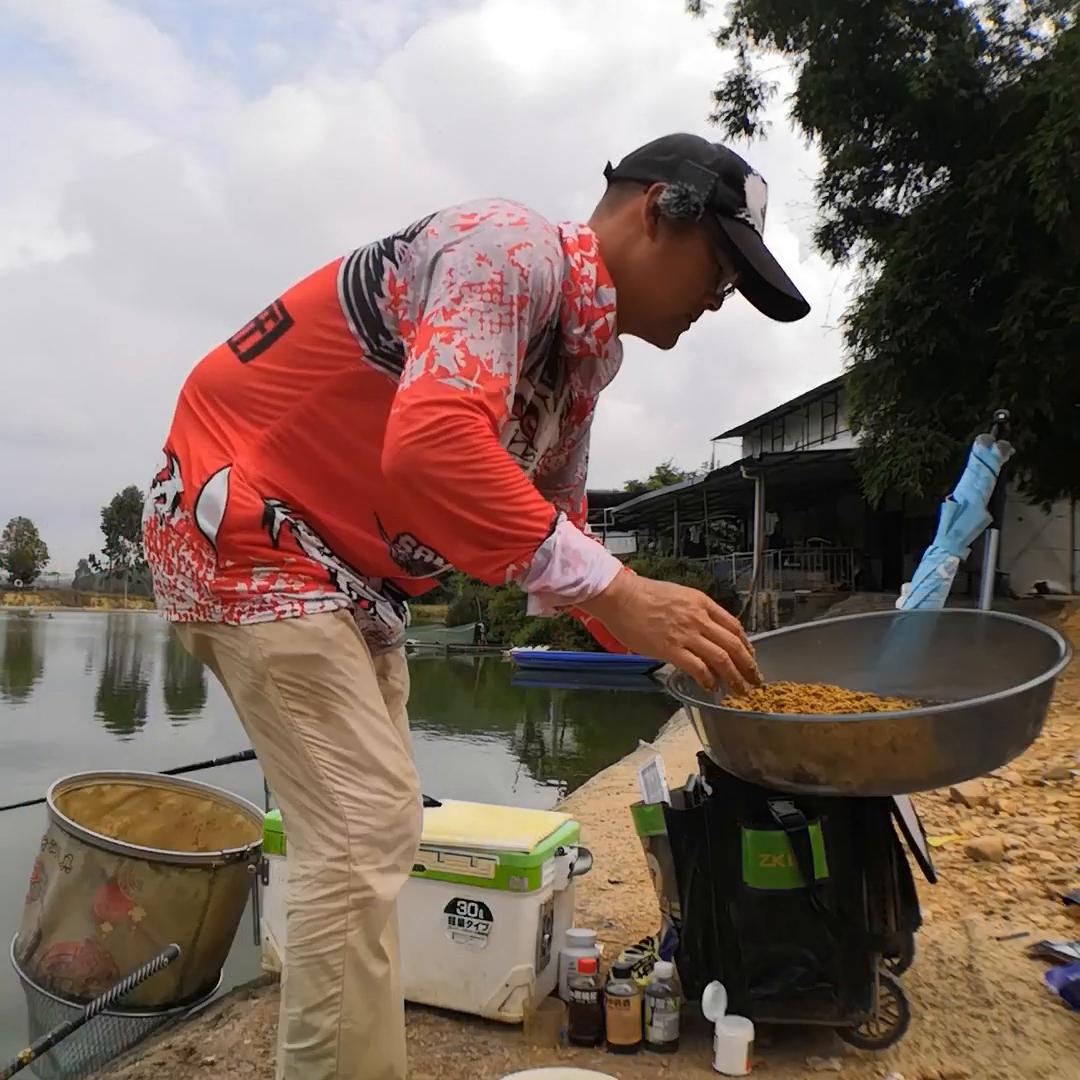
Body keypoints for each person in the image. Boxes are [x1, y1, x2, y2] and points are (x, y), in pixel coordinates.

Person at [142, 132, 809, 1080]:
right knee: (364, 827)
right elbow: (433, 450)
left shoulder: (585, 361)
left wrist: (674, 652)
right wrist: (619, 590)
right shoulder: (507, 250)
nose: (721, 298)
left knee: (375, 836)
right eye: (724, 268)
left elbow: (550, 541)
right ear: (661, 209)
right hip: (248, 525)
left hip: (349, 577)